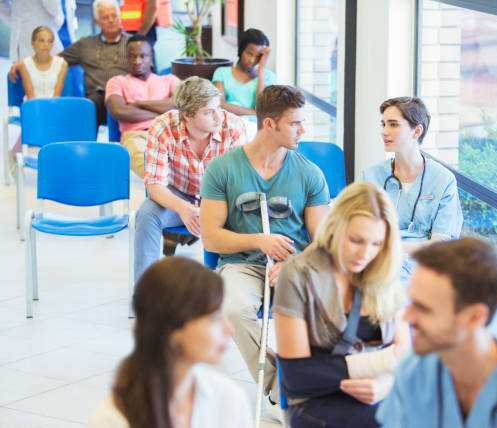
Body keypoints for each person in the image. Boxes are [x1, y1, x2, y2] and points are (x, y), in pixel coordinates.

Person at [199, 85, 330, 417]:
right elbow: (211, 238)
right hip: (242, 265)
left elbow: (323, 240)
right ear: (269, 124)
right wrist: (258, 240)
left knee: (324, 309)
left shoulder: (309, 173)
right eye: (295, 123)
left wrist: (295, 263)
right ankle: (282, 390)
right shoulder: (222, 169)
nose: (303, 130)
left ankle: (317, 388)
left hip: (295, 264)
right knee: (234, 307)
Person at [376, 238, 497, 428]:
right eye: (411, 303)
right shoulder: (414, 370)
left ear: (475, 317)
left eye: (423, 308)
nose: (406, 318)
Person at [273, 181, 412, 428]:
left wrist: (384, 385)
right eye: (356, 240)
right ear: (334, 227)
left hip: (380, 390)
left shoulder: (384, 268)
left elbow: (406, 356)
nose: (365, 253)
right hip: (316, 400)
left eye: (376, 244)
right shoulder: (297, 274)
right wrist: (376, 364)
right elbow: (296, 378)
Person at [88, 257, 253, 428]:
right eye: (214, 319)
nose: (229, 329)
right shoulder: (112, 419)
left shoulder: (230, 400)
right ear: (173, 328)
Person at [134, 76, 246, 283]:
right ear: (187, 115)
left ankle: (223, 288)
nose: (218, 117)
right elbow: (154, 184)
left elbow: (239, 184)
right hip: (177, 194)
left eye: (218, 108)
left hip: (219, 198)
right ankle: (144, 294)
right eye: (208, 112)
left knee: (241, 215)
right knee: (146, 214)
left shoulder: (233, 127)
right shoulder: (162, 127)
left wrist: (209, 209)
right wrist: (183, 208)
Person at [360, 97, 463, 283]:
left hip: (423, 267)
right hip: (375, 263)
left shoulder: (442, 180)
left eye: (393, 125)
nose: (384, 132)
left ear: (417, 131)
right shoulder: (370, 176)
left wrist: (393, 248)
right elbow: (357, 228)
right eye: (383, 124)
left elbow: (441, 244)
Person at [106, 34, 180, 177]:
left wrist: (140, 103)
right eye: (132, 56)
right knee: (153, 171)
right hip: (135, 136)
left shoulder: (170, 80)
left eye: (143, 56)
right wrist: (165, 112)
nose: (137, 61)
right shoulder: (117, 82)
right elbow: (119, 111)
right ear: (126, 58)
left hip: (171, 133)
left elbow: (179, 104)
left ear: (151, 57)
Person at [7, 26, 68, 175]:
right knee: (36, 116)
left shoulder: (62, 64)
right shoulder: (24, 64)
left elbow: (57, 94)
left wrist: (49, 112)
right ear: (32, 43)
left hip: (53, 107)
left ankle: (19, 151)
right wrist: (41, 113)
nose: (46, 45)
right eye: (41, 41)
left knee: (58, 118)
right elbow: (30, 95)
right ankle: (23, 151)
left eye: (49, 41)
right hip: (32, 107)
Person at [212, 28, 275, 138]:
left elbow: (261, 109)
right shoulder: (222, 72)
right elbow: (218, 104)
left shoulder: (268, 77)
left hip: (256, 130)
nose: (252, 60)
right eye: (249, 54)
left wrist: (261, 70)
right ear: (241, 50)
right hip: (228, 126)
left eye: (258, 57)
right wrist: (253, 112)